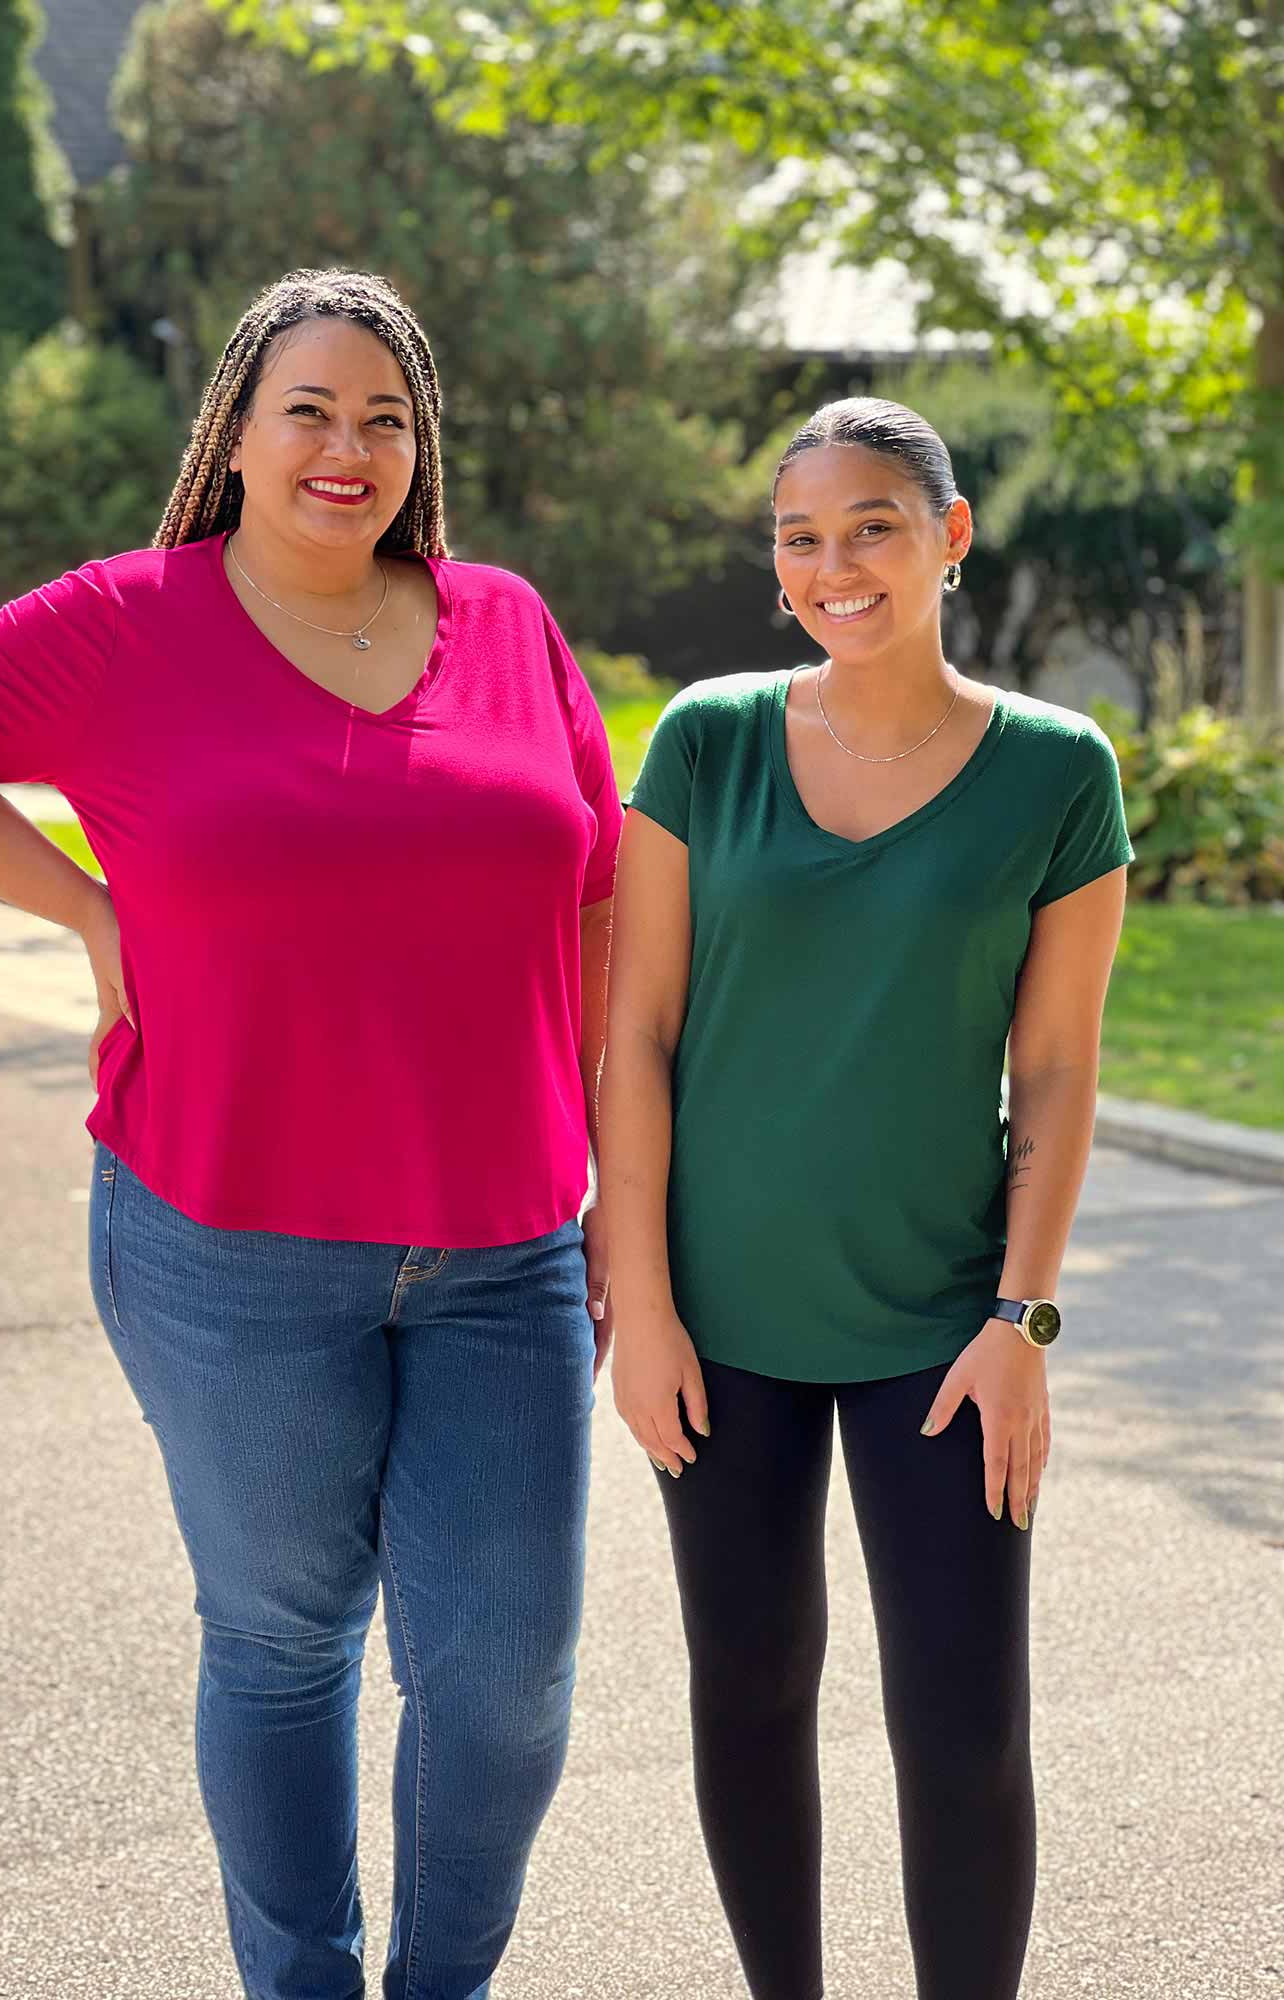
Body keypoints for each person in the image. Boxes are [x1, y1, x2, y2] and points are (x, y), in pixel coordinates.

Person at [0, 268, 622, 2000]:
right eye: (309, 411)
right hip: (223, 1236)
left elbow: (604, 914)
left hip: (504, 1250)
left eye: (385, 418)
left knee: (503, 1683)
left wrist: (622, 1194)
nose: (349, 448)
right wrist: (88, 913)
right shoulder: (128, 620)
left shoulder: (508, 623)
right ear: (236, 434)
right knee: (280, 1639)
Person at [601, 397, 1131, 2000]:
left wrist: (1022, 1319)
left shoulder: (1055, 770)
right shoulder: (705, 740)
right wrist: (640, 1304)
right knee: (748, 1689)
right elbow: (634, 1027)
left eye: (874, 527)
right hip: (723, 1319)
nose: (836, 566)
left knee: (965, 1730)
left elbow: (1054, 1070)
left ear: (949, 538)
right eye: (802, 538)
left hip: (944, 1327)